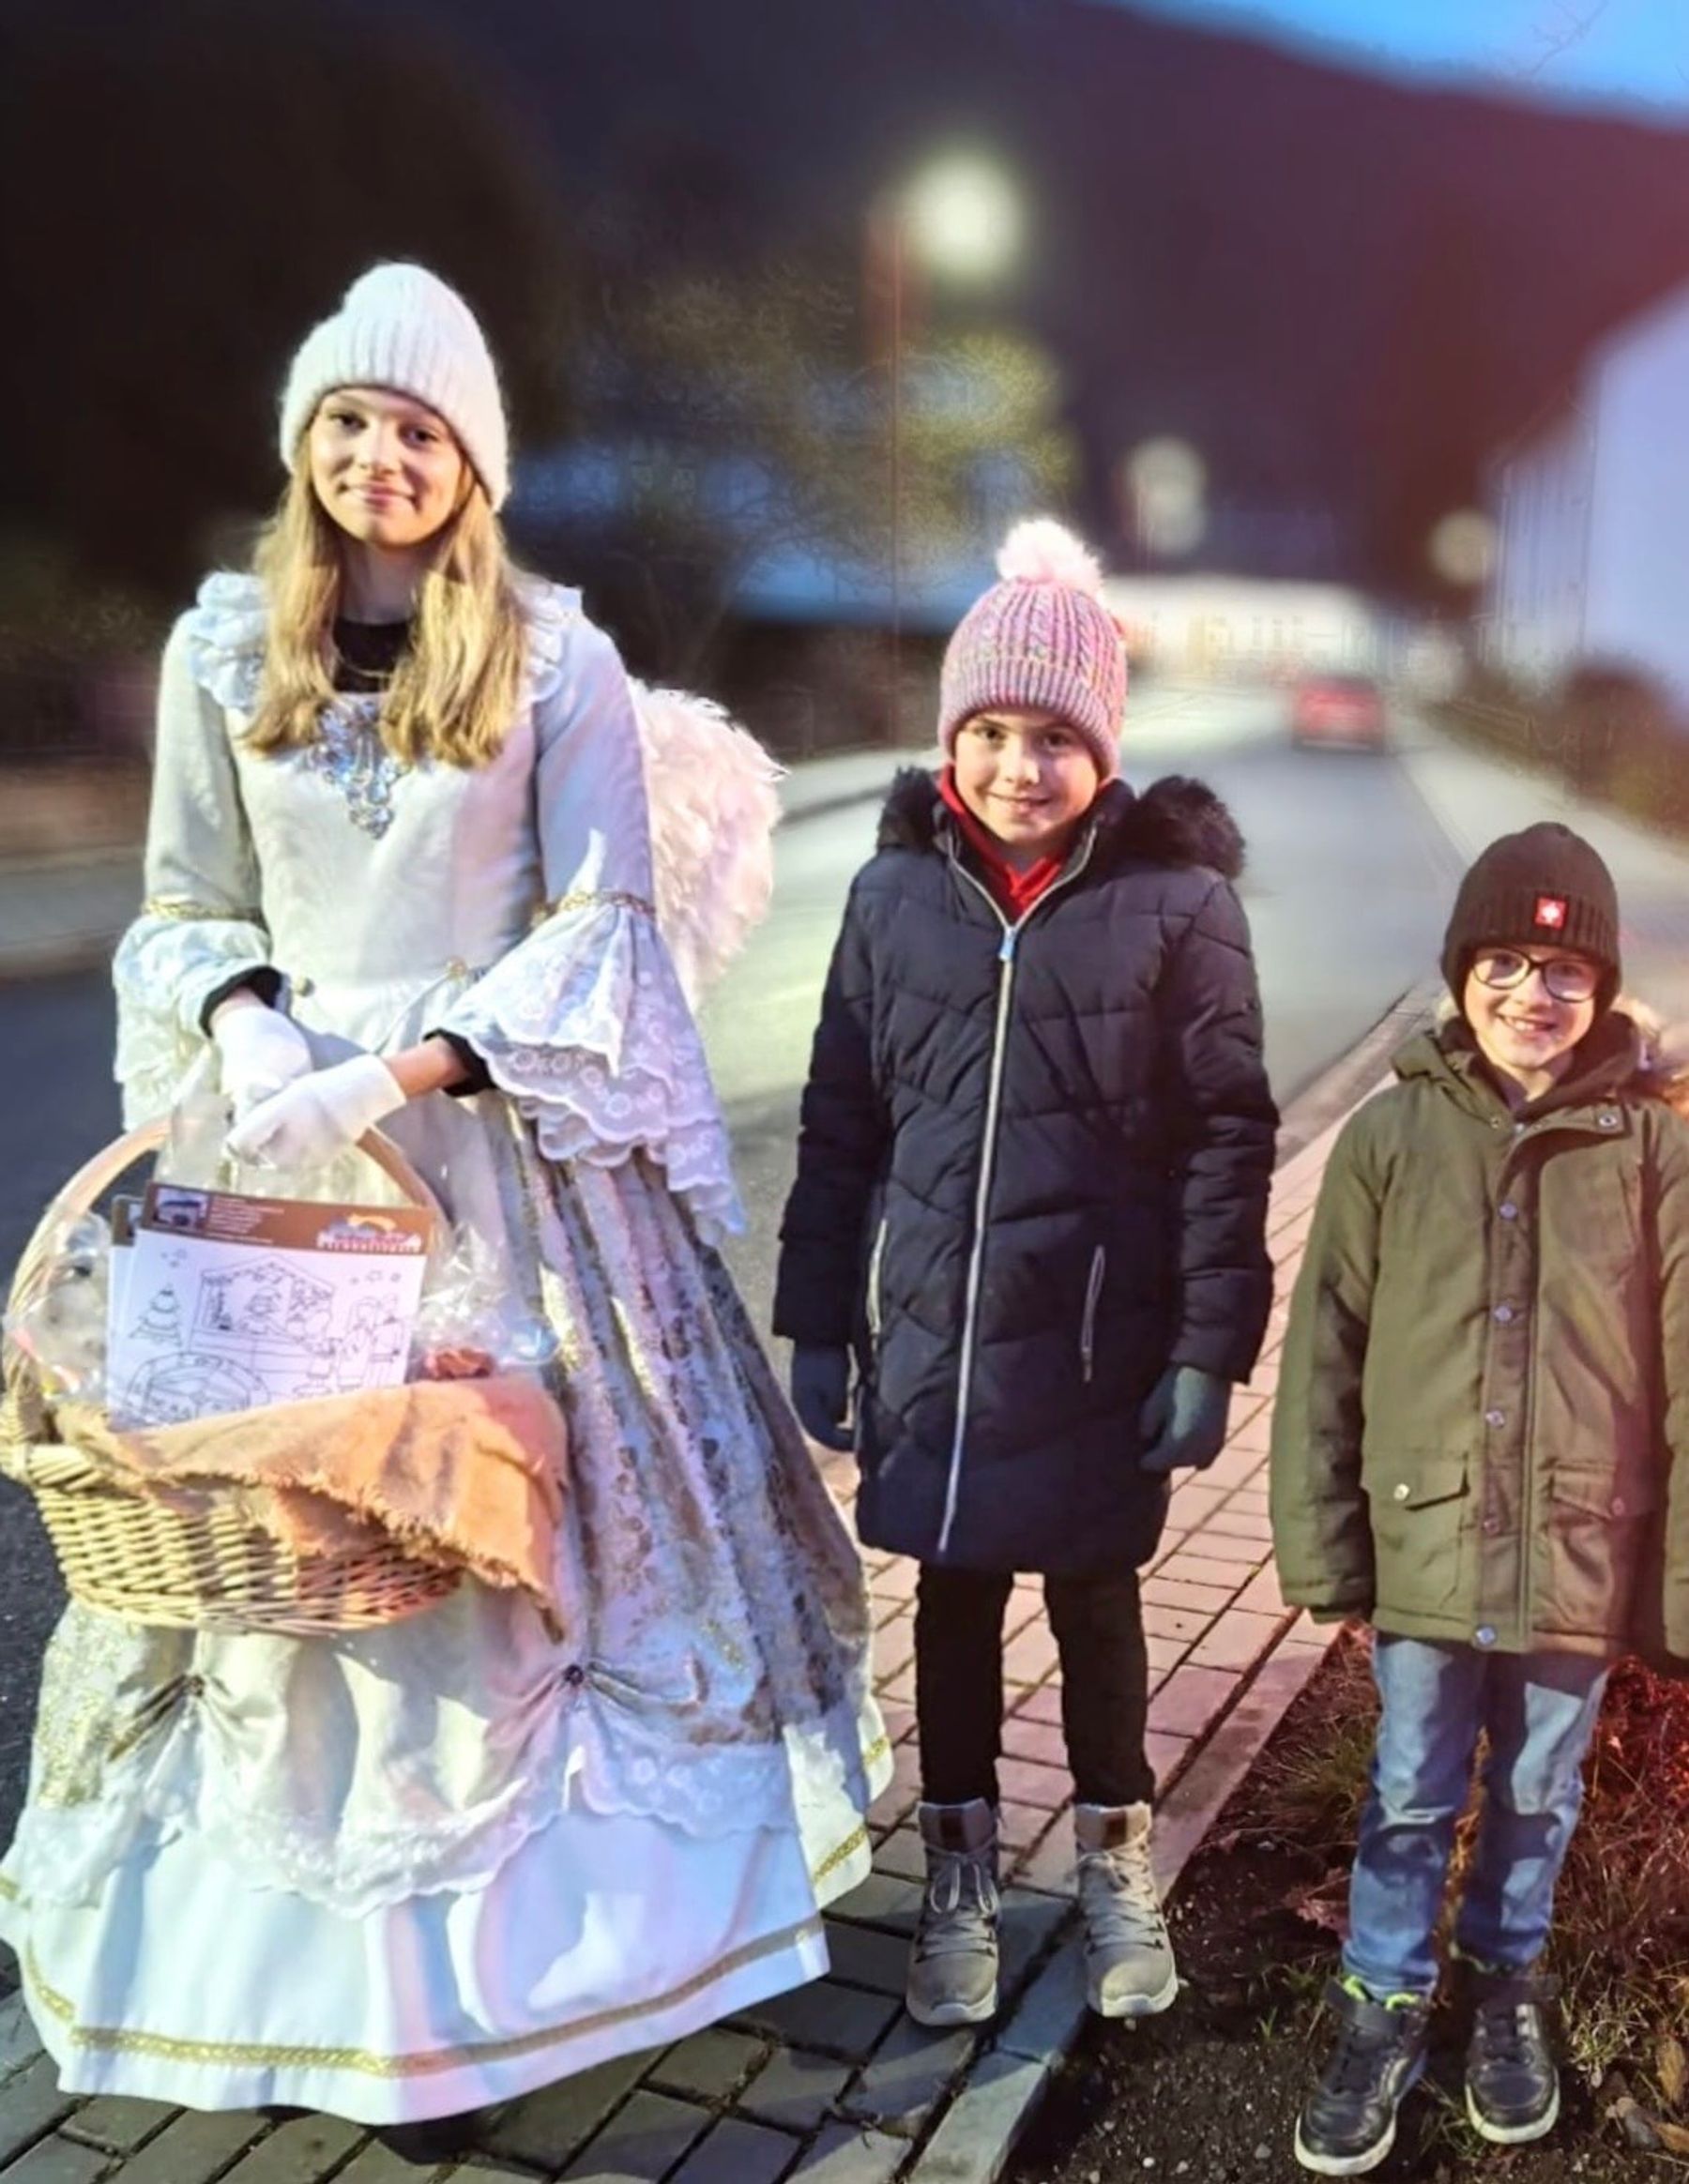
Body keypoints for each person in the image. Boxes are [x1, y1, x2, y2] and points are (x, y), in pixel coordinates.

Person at [0, 264, 887, 2157]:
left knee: (526, 1514)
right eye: (351, 421)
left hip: (486, 1138)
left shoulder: (557, 658)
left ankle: (552, 1970)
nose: (380, 457)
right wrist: (246, 1031)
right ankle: (342, 2003)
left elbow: (603, 928)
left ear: (469, 463)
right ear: (305, 442)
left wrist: (400, 1074)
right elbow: (182, 897)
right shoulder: (220, 649)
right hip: (281, 1153)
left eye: (418, 430)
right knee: (292, 1519)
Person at [773, 520, 1277, 2029]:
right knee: (951, 1602)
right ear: (949, 742)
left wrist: (1206, 1347)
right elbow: (840, 1119)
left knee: (1099, 1599)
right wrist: (816, 1316)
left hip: (1092, 1339)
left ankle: (1117, 1861)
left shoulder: (1178, 910)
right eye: (987, 732)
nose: (1015, 767)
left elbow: (1227, 1139)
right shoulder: (888, 902)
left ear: (1102, 751)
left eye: (1051, 737)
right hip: (929, 1332)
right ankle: (959, 1876)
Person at [1271, 823, 1689, 2176]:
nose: (1531, 994)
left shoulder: (1652, 1155)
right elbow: (1325, 1349)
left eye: (1565, 968)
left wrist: (1676, 1583)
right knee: (1406, 1789)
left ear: (1605, 987)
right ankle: (1383, 1999)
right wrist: (1324, 1540)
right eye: (1504, 962)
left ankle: (1507, 1983)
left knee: (1539, 1791)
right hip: (1428, 1546)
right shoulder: (1386, 1137)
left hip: (1577, 1550)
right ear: (1461, 972)